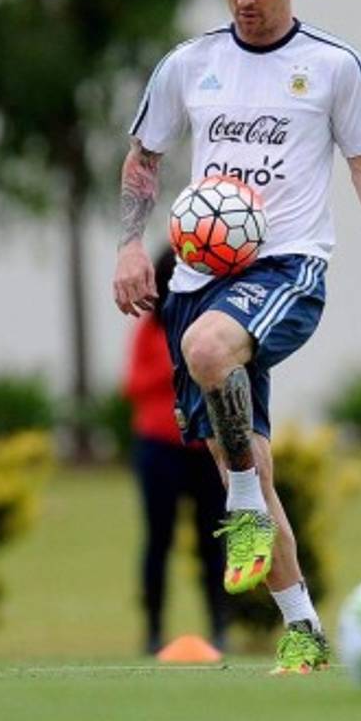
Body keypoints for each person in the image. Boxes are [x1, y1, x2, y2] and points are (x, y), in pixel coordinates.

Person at [112, 0, 361, 675]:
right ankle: (302, 631)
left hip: (286, 269)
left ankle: (240, 509)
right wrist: (132, 243)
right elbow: (143, 157)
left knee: (207, 356)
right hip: (200, 280)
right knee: (253, 469)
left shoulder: (334, 66)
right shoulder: (187, 65)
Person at [125, 248, 231, 656]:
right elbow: (133, 385)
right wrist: (181, 366)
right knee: (158, 541)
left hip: (206, 447)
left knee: (213, 540)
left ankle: (219, 625)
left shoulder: (213, 328)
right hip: (159, 448)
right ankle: (152, 629)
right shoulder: (151, 331)